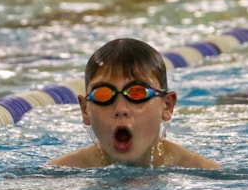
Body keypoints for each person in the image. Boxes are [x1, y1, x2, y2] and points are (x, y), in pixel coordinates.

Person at [47, 38, 220, 169]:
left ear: (166, 106)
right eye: (104, 94)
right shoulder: (58, 173)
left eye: (137, 93)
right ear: (85, 110)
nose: (121, 109)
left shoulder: (204, 174)